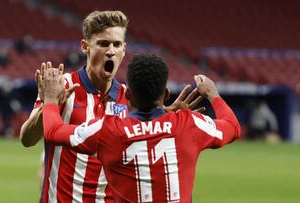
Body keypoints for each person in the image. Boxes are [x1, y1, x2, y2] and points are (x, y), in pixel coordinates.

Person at [20, 11, 203, 202]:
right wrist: (50, 104)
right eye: (103, 43)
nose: (110, 51)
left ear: (124, 49)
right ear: (85, 47)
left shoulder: (130, 98)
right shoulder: (62, 86)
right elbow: (27, 139)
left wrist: (169, 117)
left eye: (116, 44)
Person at [39, 53, 241, 203]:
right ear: (166, 94)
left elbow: (52, 131)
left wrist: (49, 99)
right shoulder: (189, 124)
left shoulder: (107, 131)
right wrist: (213, 94)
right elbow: (232, 126)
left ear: (127, 95)